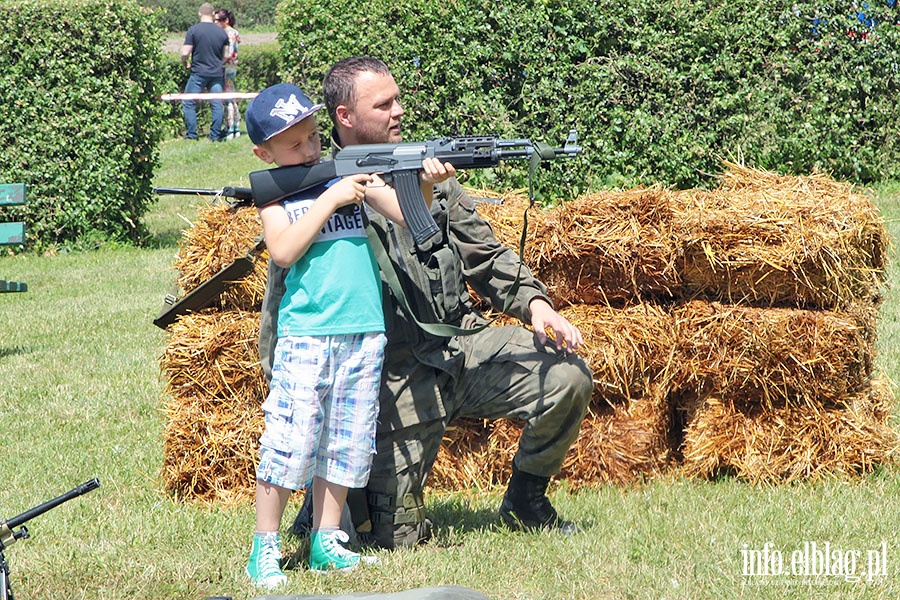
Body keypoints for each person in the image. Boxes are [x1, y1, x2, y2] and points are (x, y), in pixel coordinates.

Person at [259, 57, 593, 551]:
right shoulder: (313, 187)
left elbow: (484, 252)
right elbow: (285, 291)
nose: (399, 110)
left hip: (462, 344)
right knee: (394, 537)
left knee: (567, 376)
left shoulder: (427, 172)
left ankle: (526, 500)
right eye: (383, 103)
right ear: (345, 117)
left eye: (398, 98)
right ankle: (324, 508)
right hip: (389, 376)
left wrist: (535, 304)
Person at [243, 82, 454, 588]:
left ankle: (327, 539)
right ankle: (264, 547)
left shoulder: (352, 172)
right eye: (295, 145)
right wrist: (331, 197)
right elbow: (283, 251)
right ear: (263, 153)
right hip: (308, 333)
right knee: (290, 440)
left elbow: (409, 215)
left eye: (314, 137)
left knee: (347, 439)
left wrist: (426, 181)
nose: (311, 149)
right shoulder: (278, 193)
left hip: (364, 329)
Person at [180, 3, 229, 141]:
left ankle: (192, 135)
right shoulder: (222, 32)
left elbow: (185, 52)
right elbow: (226, 56)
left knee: (188, 102)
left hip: (198, 73)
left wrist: (185, 62)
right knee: (216, 103)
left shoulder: (193, 30)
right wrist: (218, 64)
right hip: (217, 73)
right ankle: (215, 136)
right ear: (213, 14)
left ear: (199, 14)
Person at [214, 8, 241, 139]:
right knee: (231, 95)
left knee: (227, 97)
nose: (216, 23)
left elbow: (228, 53)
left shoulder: (228, 33)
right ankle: (236, 126)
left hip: (226, 67)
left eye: (218, 20)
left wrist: (218, 63)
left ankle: (230, 128)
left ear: (226, 20)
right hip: (232, 67)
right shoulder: (235, 32)